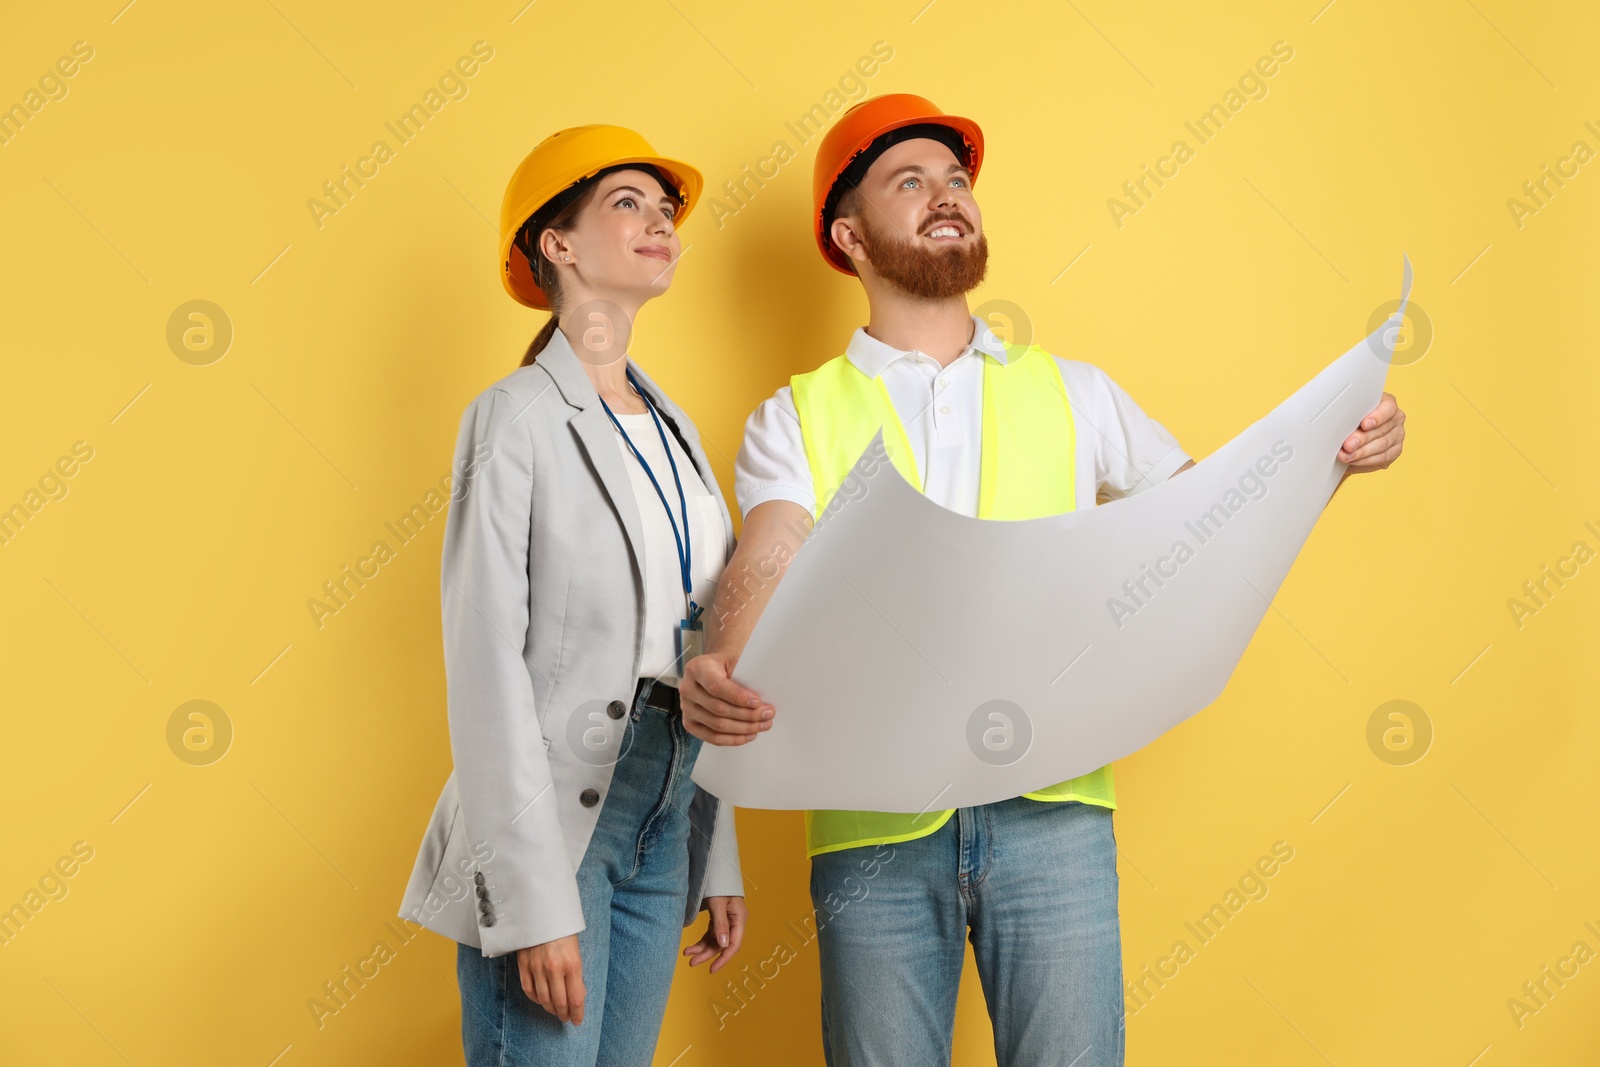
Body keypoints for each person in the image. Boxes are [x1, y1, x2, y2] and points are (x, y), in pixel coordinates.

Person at [679, 94, 1406, 1067]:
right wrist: (721, 659)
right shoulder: (795, 414)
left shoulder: (1076, 392)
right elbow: (769, 545)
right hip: (870, 827)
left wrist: (1335, 452)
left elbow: (1214, 519)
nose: (947, 196)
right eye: (911, 181)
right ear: (848, 236)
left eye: (958, 179)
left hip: (1054, 813)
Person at [398, 124, 748, 1067]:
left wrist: (714, 852)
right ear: (557, 245)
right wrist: (530, 902)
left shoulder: (673, 426)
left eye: (665, 208)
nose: (660, 221)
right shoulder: (511, 418)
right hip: (554, 816)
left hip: (666, 808)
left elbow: (700, 649)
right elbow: (484, 667)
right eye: (626, 203)